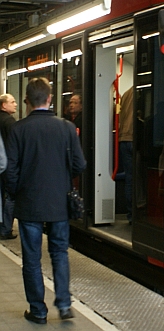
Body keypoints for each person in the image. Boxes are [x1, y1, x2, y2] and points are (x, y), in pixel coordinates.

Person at [5, 78, 86, 325]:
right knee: (59, 253)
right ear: (50, 99)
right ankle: (63, 305)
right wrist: (61, 178)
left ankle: (38, 311)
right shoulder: (66, 128)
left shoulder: (18, 129)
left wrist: (17, 191)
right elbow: (79, 165)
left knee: (31, 259)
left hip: (29, 204)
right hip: (59, 202)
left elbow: (10, 170)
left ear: (27, 101)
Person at [0, 93, 17, 240]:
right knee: (10, 197)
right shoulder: (9, 121)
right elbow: (13, 145)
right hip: (6, 165)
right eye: (12, 102)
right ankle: (5, 229)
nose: (16, 104)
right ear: (4, 105)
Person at [119, 87, 133, 224]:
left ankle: (131, 215)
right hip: (136, 138)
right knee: (139, 179)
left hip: (124, 138)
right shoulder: (143, 89)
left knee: (130, 178)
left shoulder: (126, 93)